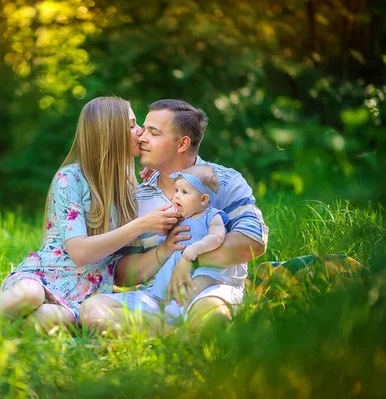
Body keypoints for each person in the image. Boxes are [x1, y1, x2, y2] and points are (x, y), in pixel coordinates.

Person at [0, 97, 183, 340]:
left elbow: (123, 271)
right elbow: (80, 253)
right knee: (30, 294)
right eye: (132, 125)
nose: (141, 132)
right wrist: (141, 225)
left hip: (83, 296)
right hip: (43, 276)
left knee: (52, 318)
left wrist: (167, 247)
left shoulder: (129, 186)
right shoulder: (69, 179)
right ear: (110, 133)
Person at [80, 99, 268, 338]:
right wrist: (165, 252)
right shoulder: (137, 196)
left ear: (182, 144)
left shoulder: (225, 181)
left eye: (153, 133)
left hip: (211, 289)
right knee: (93, 310)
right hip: (153, 297)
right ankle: (178, 335)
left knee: (212, 314)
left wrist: (189, 260)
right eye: (143, 129)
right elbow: (121, 273)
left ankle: (156, 334)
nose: (141, 137)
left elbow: (253, 242)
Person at [150, 165, 229, 321]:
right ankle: (159, 308)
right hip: (176, 263)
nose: (177, 196)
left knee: (195, 286)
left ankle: (179, 311)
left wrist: (195, 249)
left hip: (202, 266)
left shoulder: (212, 216)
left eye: (184, 192)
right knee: (163, 284)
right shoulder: (183, 218)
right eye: (176, 191)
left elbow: (218, 236)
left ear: (203, 199)